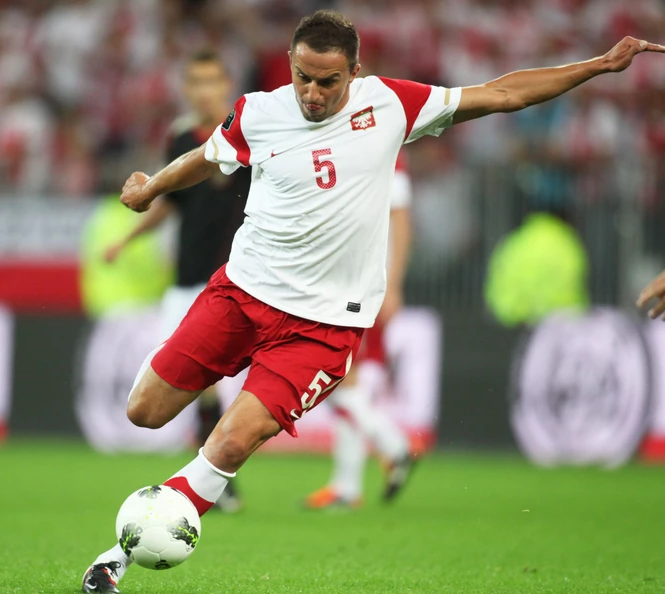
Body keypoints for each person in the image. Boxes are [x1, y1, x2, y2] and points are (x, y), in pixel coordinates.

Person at [82, 10, 664, 592]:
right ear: (291, 64)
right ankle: (162, 514)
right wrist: (152, 186)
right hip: (241, 294)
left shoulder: (390, 104)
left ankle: (120, 555)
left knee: (232, 441)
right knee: (144, 411)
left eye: (328, 81)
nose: (312, 93)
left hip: (320, 328)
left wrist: (598, 65)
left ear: (355, 72)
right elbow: (209, 156)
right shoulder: (258, 111)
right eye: (303, 77)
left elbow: (504, 93)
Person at [102, 49, 250, 513]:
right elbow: (169, 200)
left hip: (235, 279)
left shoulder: (251, 128)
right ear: (186, 89)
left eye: (211, 81)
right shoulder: (182, 138)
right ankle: (216, 479)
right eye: (196, 82)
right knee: (187, 380)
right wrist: (127, 239)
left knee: (210, 383)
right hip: (186, 278)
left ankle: (216, 480)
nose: (204, 91)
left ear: (225, 84)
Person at [304, 156, 415, 510]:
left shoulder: (386, 144)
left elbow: (400, 218)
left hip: (365, 284)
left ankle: (391, 448)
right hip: (344, 278)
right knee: (340, 377)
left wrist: (392, 284)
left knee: (336, 373)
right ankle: (350, 482)